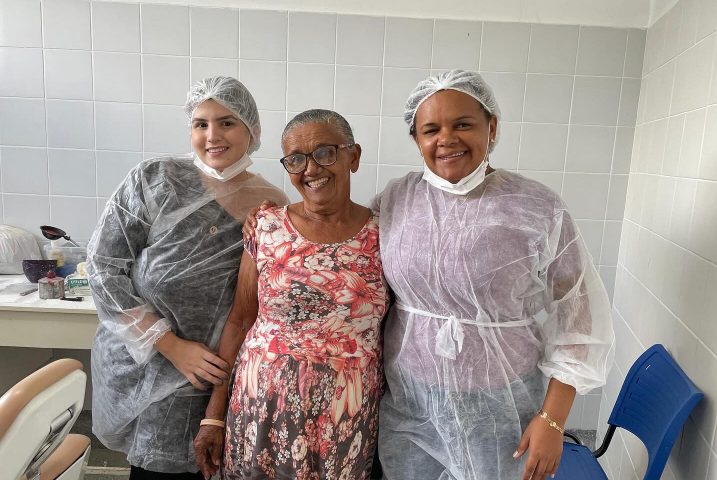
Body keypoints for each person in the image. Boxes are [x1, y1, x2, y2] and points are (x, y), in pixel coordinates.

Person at [374, 70, 614, 480]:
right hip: (410, 406)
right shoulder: (396, 200)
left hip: (502, 408)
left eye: (463, 124)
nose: (446, 139)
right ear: (416, 139)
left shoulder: (536, 207)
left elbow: (578, 318)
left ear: (492, 127)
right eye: (431, 129)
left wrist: (553, 420)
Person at [87, 76, 288, 478]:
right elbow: (103, 268)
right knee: (154, 470)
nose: (212, 135)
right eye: (201, 124)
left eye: (227, 122)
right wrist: (170, 345)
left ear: (253, 129)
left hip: (218, 376)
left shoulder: (271, 205)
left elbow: (258, 299)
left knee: (210, 467)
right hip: (149, 364)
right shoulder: (154, 180)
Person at [193, 109, 389, 480]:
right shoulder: (266, 227)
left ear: (353, 156)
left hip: (345, 419)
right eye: (296, 159)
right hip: (261, 408)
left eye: (325, 152)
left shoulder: (385, 236)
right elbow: (240, 320)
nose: (311, 169)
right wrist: (214, 416)